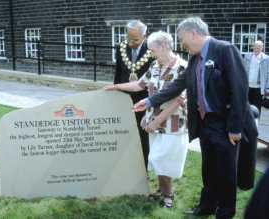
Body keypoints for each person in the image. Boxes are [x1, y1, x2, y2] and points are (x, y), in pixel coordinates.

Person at [133, 17, 258, 219]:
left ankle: (225, 213)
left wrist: (235, 128)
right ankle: (206, 207)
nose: (181, 44)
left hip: (225, 125)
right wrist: (149, 102)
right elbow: (177, 85)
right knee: (208, 169)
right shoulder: (194, 57)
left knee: (226, 172)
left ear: (193, 33)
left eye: (182, 39)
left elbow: (239, 89)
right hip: (205, 123)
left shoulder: (224, 50)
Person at [106, 31, 188, 208]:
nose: (151, 54)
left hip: (172, 124)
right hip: (153, 121)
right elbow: (139, 85)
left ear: (165, 46)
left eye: (153, 50)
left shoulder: (182, 67)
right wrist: (115, 86)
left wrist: (157, 122)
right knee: (158, 160)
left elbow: (180, 100)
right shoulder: (155, 66)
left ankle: (168, 196)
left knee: (162, 161)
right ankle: (161, 191)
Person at [114, 20, 154, 169]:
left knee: (142, 133)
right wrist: (116, 93)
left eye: (135, 39)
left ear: (145, 35)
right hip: (124, 97)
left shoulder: (152, 49)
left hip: (144, 98)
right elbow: (118, 73)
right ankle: (125, 163)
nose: (131, 42)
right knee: (124, 131)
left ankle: (143, 165)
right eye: (129, 38)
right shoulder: (121, 48)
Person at [244, 40, 269, 113]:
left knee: (257, 108)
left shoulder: (266, 58)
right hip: (248, 86)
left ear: (262, 48)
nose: (256, 49)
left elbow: (268, 73)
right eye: (255, 47)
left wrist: (267, 88)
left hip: (259, 88)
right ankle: (248, 123)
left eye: (258, 47)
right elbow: (243, 69)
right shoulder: (247, 56)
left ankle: (256, 123)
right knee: (247, 107)